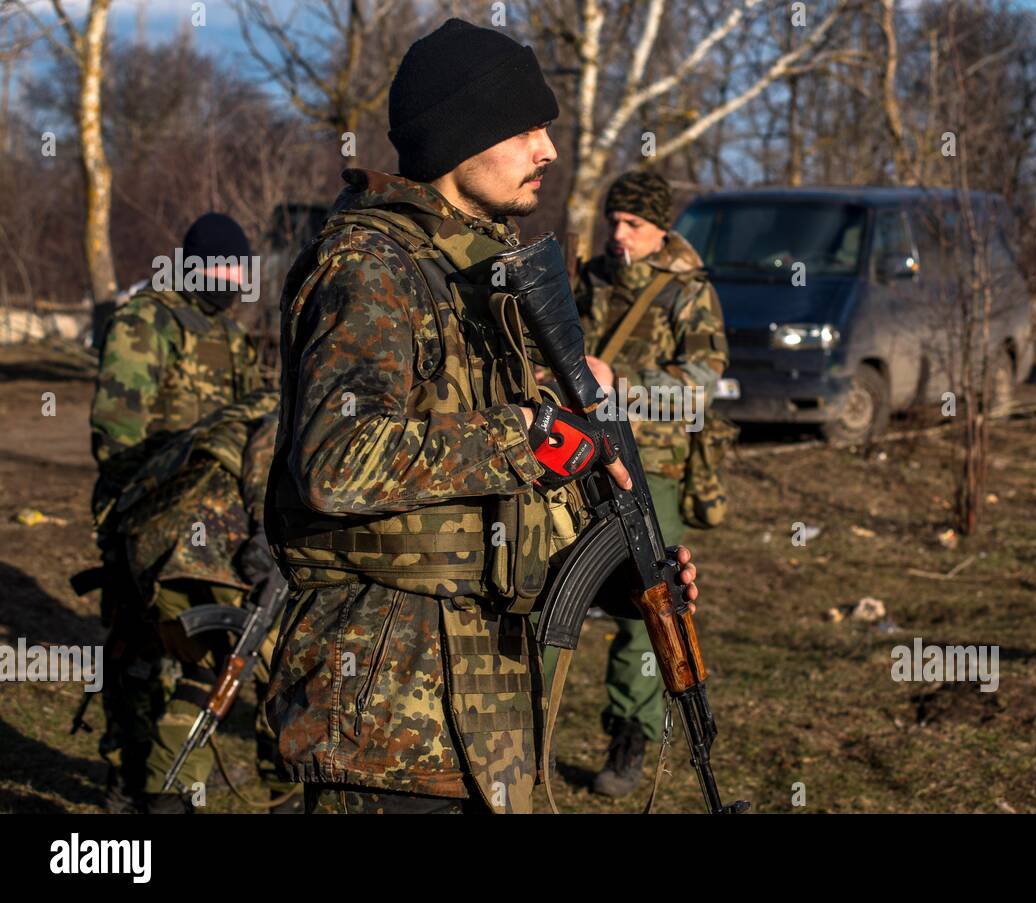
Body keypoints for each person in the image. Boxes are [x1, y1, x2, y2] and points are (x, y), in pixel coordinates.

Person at [263, 18, 699, 815]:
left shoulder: (470, 272)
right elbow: (336, 459)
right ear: (462, 135)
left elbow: (490, 499)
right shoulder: (371, 267)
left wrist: (621, 574)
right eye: (527, 127)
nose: (549, 150)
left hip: (483, 706)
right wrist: (529, 436)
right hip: (386, 714)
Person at [89, 213, 263, 810]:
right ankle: (127, 774)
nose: (229, 278)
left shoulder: (234, 339)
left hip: (209, 524)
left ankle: (163, 782)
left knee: (184, 653)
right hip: (144, 513)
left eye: (237, 269)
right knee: (136, 654)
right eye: (218, 266)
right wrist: (123, 521)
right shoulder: (148, 320)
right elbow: (117, 435)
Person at [570, 170, 728, 797]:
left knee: (647, 604)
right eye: (614, 220)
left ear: (661, 229)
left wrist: (621, 384)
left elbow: (699, 390)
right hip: (578, 460)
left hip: (651, 466)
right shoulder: (589, 282)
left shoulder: (690, 293)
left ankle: (631, 735)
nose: (619, 233)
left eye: (633, 223)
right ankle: (518, 729)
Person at [112, 389, 300, 813]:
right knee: (280, 680)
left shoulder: (241, 414)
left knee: (202, 678)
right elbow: (263, 462)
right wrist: (264, 548)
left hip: (158, 550)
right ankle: (285, 799)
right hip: (215, 550)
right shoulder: (289, 412)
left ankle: (167, 798)